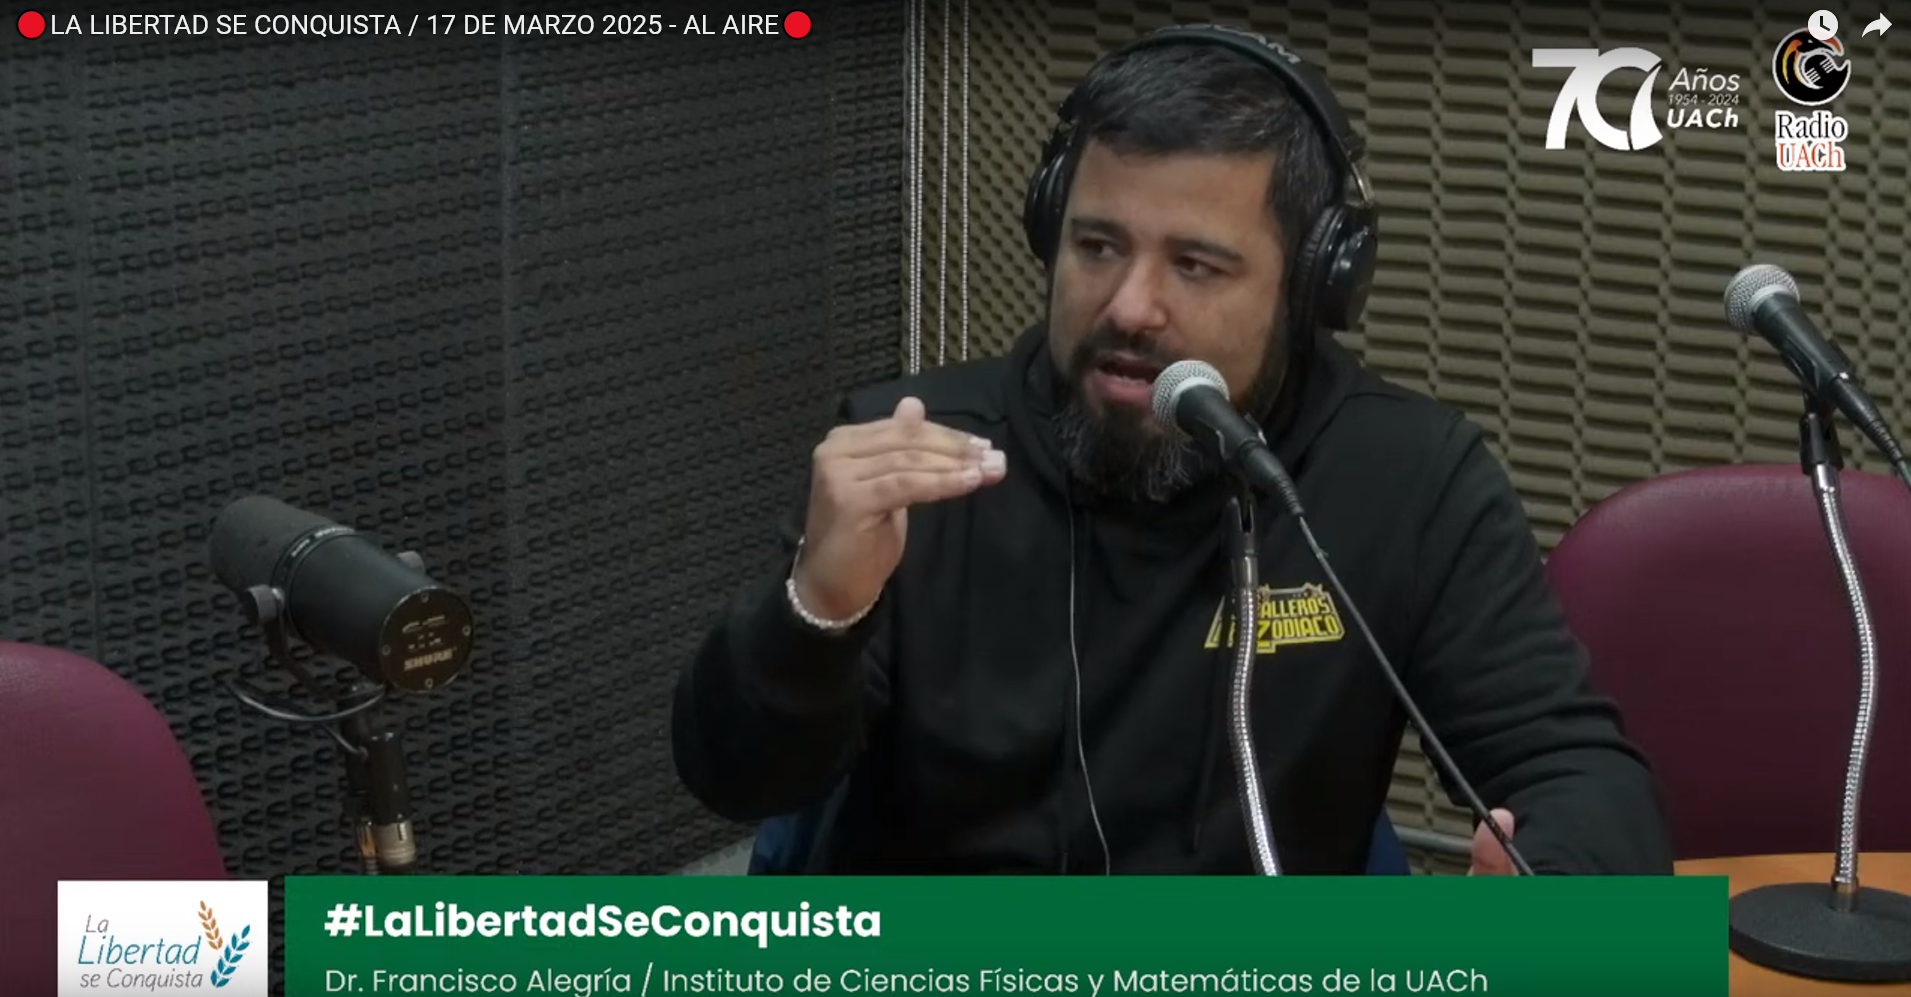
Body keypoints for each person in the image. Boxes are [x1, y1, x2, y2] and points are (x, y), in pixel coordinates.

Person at [671, 24, 1674, 875]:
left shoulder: (1410, 479)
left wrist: (1554, 884)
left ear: (1311, 287)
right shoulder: (916, 449)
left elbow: (1572, 768)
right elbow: (735, 778)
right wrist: (819, 608)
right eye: (1097, 246)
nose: (1128, 306)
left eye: (1195, 265)